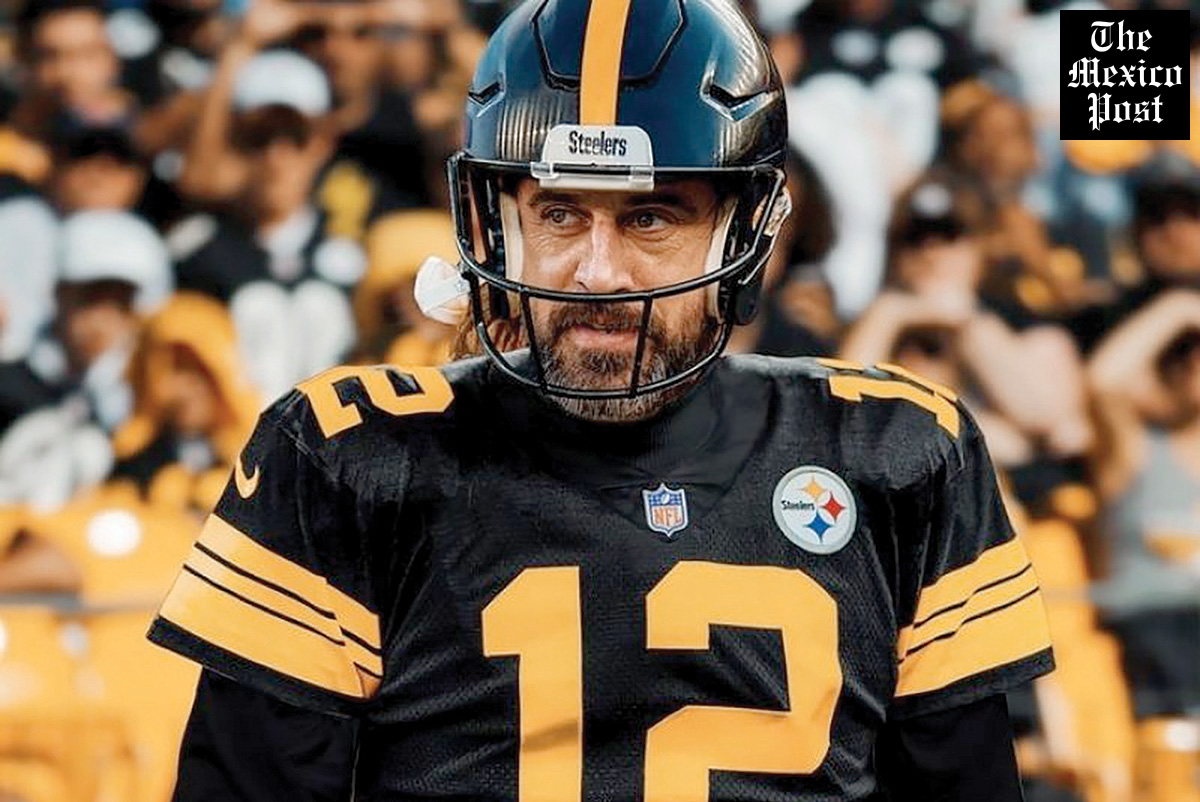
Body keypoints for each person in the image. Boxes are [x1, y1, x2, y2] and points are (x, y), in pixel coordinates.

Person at [150, 1, 1053, 800]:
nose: (597, 272)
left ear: (744, 230)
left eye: (649, 217)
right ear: (496, 220)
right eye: (560, 213)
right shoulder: (350, 456)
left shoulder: (899, 453)